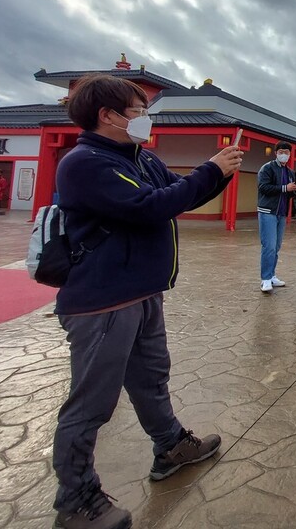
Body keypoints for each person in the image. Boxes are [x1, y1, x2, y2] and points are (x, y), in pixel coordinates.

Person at [51, 74, 241, 529]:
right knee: (92, 404)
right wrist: (212, 169)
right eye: (138, 111)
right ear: (108, 115)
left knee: (152, 378)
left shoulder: (139, 157)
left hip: (142, 292)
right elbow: (147, 207)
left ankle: (170, 445)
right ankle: (76, 500)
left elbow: (175, 197)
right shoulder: (85, 163)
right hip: (103, 301)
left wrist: (219, 171)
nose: (144, 119)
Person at [257, 141, 296, 294]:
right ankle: (265, 279)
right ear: (276, 152)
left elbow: (287, 193)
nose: (284, 154)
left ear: (290, 155)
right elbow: (263, 188)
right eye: (281, 151)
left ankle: (272, 275)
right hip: (267, 211)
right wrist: (285, 188)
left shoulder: (290, 172)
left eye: (287, 152)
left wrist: (295, 191)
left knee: (276, 247)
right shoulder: (267, 168)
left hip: (281, 213)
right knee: (268, 246)